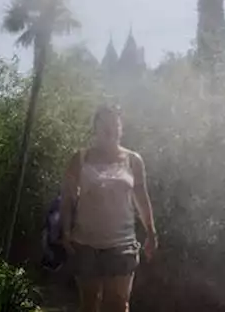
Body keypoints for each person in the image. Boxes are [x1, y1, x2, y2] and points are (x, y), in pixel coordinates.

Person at [59, 104, 158, 312]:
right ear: (95, 128)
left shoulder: (133, 161)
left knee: (118, 304)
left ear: (121, 128)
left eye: (114, 124)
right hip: (85, 242)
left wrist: (150, 232)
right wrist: (65, 231)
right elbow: (67, 198)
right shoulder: (79, 159)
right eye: (103, 124)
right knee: (89, 303)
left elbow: (142, 198)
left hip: (122, 244)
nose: (109, 129)